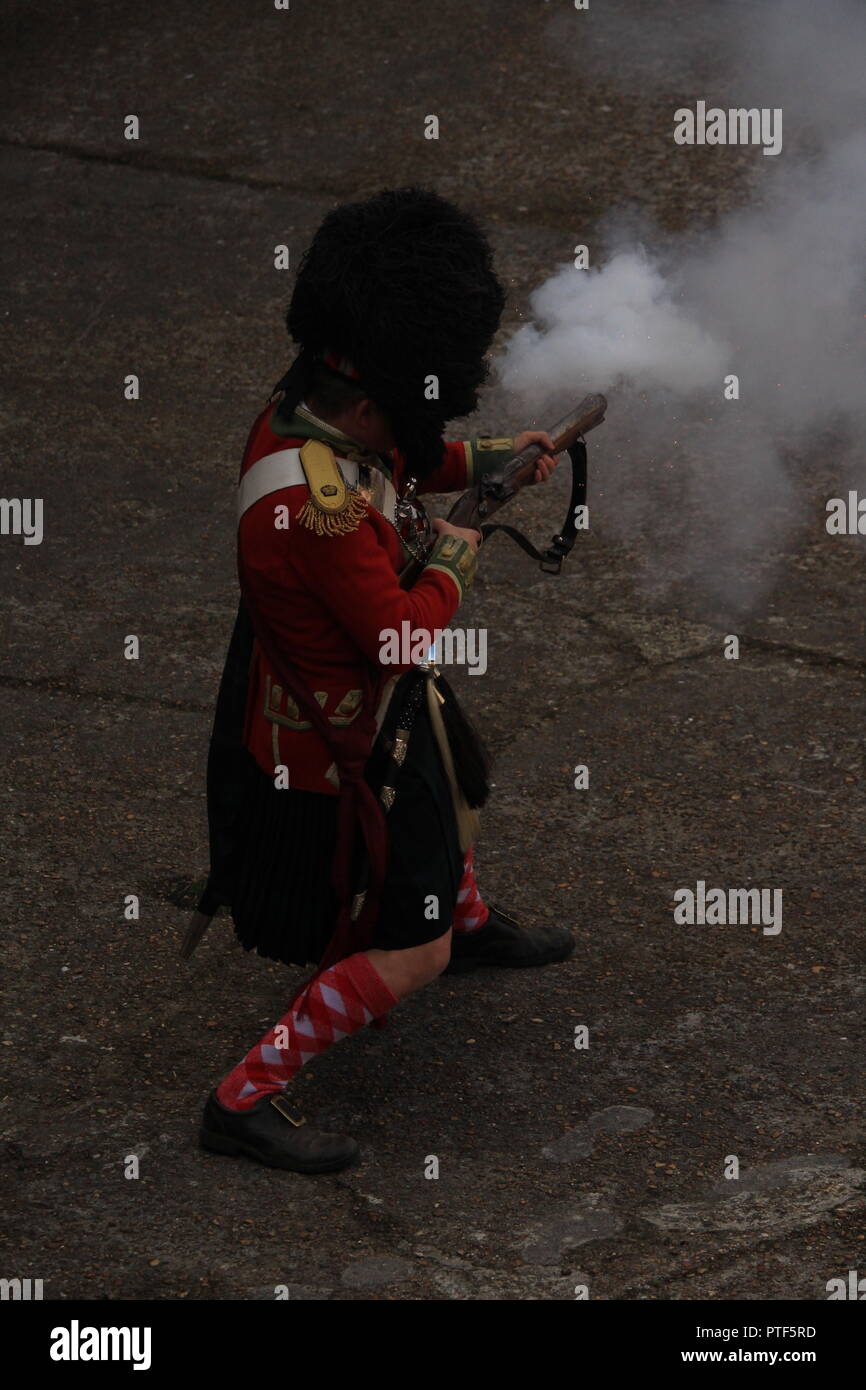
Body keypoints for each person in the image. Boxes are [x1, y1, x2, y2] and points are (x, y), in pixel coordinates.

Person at [195, 188, 574, 1173]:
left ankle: (466, 915)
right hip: (340, 732)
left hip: (363, 699)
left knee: (458, 786)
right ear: (370, 397)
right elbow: (403, 634)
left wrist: (498, 458)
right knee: (415, 952)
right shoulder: (316, 507)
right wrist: (455, 553)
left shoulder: (323, 406)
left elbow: (411, 459)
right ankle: (244, 1095)